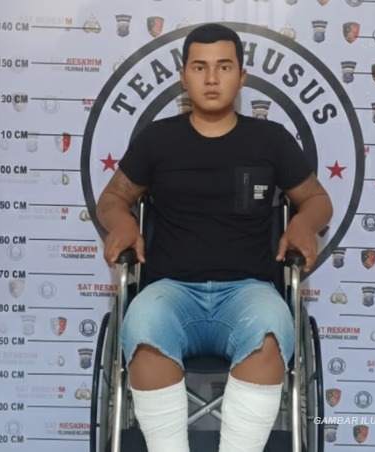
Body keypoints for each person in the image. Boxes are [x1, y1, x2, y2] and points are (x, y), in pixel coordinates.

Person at [96, 23, 333, 452]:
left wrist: (303, 224)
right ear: (183, 76)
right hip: (171, 291)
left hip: (247, 291)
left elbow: (317, 199)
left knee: (269, 333)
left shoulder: (270, 140)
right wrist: (123, 223)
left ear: (241, 77)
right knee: (143, 328)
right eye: (199, 67)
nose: (211, 78)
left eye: (223, 67)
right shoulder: (158, 139)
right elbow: (113, 198)